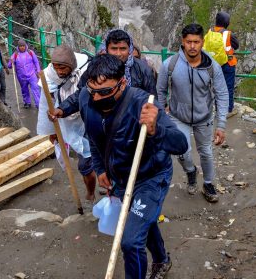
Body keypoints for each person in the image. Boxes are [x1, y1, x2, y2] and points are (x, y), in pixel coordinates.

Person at [50, 54, 187, 279]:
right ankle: (162, 260)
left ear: (122, 84)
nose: (96, 98)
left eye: (104, 92)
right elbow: (95, 139)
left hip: (150, 176)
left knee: (131, 242)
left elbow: (180, 144)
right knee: (142, 220)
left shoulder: (142, 105)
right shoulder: (86, 98)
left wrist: (155, 130)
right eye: (92, 90)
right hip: (121, 177)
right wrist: (101, 169)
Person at [156, 23, 229, 203]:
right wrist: (162, 114)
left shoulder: (212, 66)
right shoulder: (170, 65)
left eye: (196, 42)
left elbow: (222, 94)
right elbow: (160, 90)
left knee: (206, 152)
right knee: (182, 151)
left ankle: (209, 184)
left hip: (204, 117)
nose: (192, 46)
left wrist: (221, 125)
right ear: (182, 42)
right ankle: (190, 171)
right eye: (189, 42)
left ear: (202, 42)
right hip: (177, 116)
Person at [37, 45, 96, 201]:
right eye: (56, 67)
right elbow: (46, 105)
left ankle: (103, 185)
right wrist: (51, 131)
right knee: (85, 165)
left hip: (90, 118)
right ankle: (91, 191)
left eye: (62, 67)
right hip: (65, 117)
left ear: (72, 64)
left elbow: (83, 96)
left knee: (100, 156)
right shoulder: (49, 77)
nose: (59, 72)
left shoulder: (87, 70)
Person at [98, 29, 157, 95]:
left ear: (130, 49)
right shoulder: (97, 67)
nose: (118, 54)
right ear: (106, 49)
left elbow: (152, 98)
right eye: (114, 48)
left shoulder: (143, 70)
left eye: (123, 49)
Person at [204, 11, 240, 118]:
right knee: (228, 87)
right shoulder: (228, 34)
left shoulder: (210, 31)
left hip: (214, 64)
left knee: (217, 87)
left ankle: (219, 109)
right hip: (228, 64)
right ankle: (228, 110)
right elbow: (236, 45)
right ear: (226, 22)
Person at [8, 39, 41, 109]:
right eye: (20, 46)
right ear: (18, 47)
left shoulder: (30, 52)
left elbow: (36, 62)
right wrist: (11, 62)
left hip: (32, 75)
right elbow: (9, 66)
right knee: (24, 90)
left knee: (35, 89)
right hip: (21, 77)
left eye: (23, 46)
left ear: (25, 45)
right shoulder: (15, 55)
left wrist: (38, 70)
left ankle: (38, 104)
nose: (22, 47)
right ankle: (27, 102)